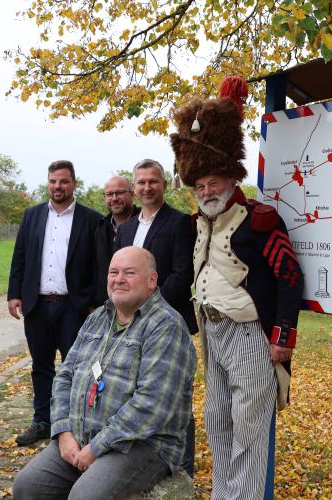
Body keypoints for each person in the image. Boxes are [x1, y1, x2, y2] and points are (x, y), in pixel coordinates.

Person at [170, 76, 303, 499]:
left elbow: (289, 276)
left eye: (213, 183)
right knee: (217, 420)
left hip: (249, 333)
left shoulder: (260, 218)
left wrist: (282, 338)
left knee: (249, 424)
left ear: (230, 180)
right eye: (200, 186)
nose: (207, 192)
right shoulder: (197, 224)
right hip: (211, 331)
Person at [12, 247, 196, 499]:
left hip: (141, 446)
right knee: (28, 486)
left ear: (152, 281)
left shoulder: (166, 326)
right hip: (79, 437)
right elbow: (65, 377)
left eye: (129, 272)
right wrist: (64, 432)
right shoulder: (97, 318)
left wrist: (96, 448)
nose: (119, 279)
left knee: (86, 496)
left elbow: (152, 406)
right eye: (113, 272)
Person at [8, 160, 100, 446]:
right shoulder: (32, 215)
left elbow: (98, 266)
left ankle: (73, 423)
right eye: (52, 181)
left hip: (72, 307)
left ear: (73, 183)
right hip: (37, 304)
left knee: (76, 368)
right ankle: (42, 420)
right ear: (47, 183)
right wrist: (14, 293)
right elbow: (20, 256)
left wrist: (90, 303)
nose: (57, 186)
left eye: (63, 181)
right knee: (41, 366)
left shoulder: (91, 219)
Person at [115, 158, 197, 475]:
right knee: (137, 395)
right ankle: (145, 463)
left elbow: (182, 274)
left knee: (174, 397)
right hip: (129, 326)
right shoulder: (126, 229)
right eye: (141, 182)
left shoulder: (178, 223)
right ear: (134, 189)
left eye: (153, 181)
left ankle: (183, 470)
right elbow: (119, 275)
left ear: (164, 184)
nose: (147, 187)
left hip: (166, 323)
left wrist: (148, 308)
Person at [93, 176, 138, 306]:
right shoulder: (100, 228)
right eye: (109, 194)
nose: (114, 198)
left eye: (119, 193)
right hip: (105, 307)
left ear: (132, 194)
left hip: (138, 305)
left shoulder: (145, 224)